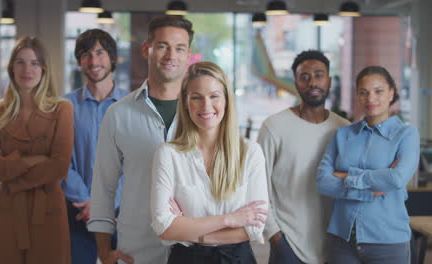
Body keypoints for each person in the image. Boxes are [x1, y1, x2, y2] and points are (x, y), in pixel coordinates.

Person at [87, 15, 194, 264]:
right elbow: (103, 188)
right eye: (163, 46)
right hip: (136, 251)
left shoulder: (203, 115)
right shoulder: (118, 114)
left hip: (195, 249)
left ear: (189, 53)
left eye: (179, 48)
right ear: (147, 49)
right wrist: (104, 252)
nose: (171, 56)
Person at [151, 61, 269, 263]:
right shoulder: (168, 154)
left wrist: (188, 229)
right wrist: (228, 220)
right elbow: (164, 227)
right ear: (186, 104)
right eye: (196, 97)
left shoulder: (250, 152)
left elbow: (253, 227)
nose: (206, 106)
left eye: (214, 96)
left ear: (226, 101)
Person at [0, 36, 73, 264]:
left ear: (43, 68)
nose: (27, 69)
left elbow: (59, 166)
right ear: (11, 68)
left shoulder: (62, 109)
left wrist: (8, 167)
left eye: (33, 63)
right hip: (6, 210)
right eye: (20, 62)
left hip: (48, 209)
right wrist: (32, 160)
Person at [317, 65, 419, 264]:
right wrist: (370, 189)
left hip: (388, 241)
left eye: (378, 91)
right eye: (363, 93)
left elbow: (396, 178)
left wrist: (346, 175)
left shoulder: (406, 135)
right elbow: (322, 181)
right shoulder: (342, 135)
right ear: (357, 96)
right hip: (341, 240)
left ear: (391, 93)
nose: (371, 99)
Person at [257, 50, 350, 264]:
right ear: (296, 83)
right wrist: (275, 236)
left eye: (319, 75)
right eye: (304, 77)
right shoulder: (274, 127)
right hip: (288, 244)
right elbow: (257, 187)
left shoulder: (343, 129)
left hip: (334, 245)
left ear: (328, 80)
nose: (312, 82)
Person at [61, 29, 129, 264]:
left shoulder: (133, 106)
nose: (93, 61)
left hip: (124, 214)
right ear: (79, 61)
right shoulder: (65, 106)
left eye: (100, 52)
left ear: (112, 58)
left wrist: (109, 205)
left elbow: (137, 162)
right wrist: (90, 203)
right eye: (86, 54)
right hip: (79, 212)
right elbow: (60, 161)